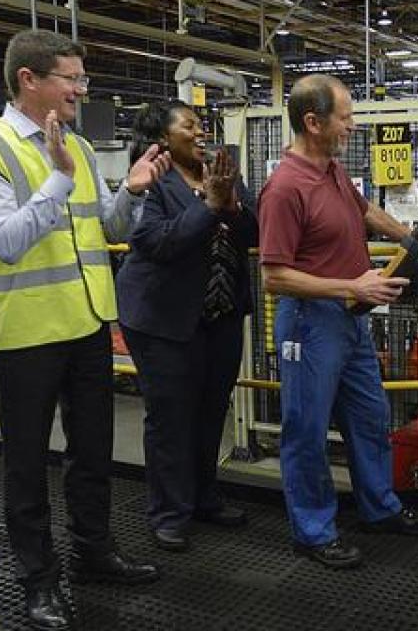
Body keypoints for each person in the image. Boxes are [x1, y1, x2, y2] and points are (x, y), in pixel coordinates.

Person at [0, 29, 170, 631]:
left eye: (81, 78)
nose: (80, 90)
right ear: (29, 80)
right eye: (72, 78)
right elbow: (7, 243)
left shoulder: (81, 148)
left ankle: (93, 553)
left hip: (88, 320)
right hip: (26, 331)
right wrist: (58, 177)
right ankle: (38, 580)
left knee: (92, 454)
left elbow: (105, 228)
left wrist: (133, 193)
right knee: (26, 464)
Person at [258, 74, 418, 570]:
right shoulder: (284, 188)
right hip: (310, 324)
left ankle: (380, 507)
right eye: (345, 118)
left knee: (369, 417)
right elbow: (274, 277)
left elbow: (364, 210)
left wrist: (414, 238)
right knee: (306, 431)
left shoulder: (331, 170)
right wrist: (352, 287)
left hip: (350, 320)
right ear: (313, 122)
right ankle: (313, 531)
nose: (352, 126)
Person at [117, 101, 257, 551]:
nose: (201, 133)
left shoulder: (221, 173)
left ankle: (203, 498)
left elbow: (254, 233)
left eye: (202, 125)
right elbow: (156, 242)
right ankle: (169, 512)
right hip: (162, 319)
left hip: (220, 314)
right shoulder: (152, 183)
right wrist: (210, 206)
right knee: (171, 418)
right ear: (163, 138)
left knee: (211, 411)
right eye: (189, 126)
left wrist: (231, 204)